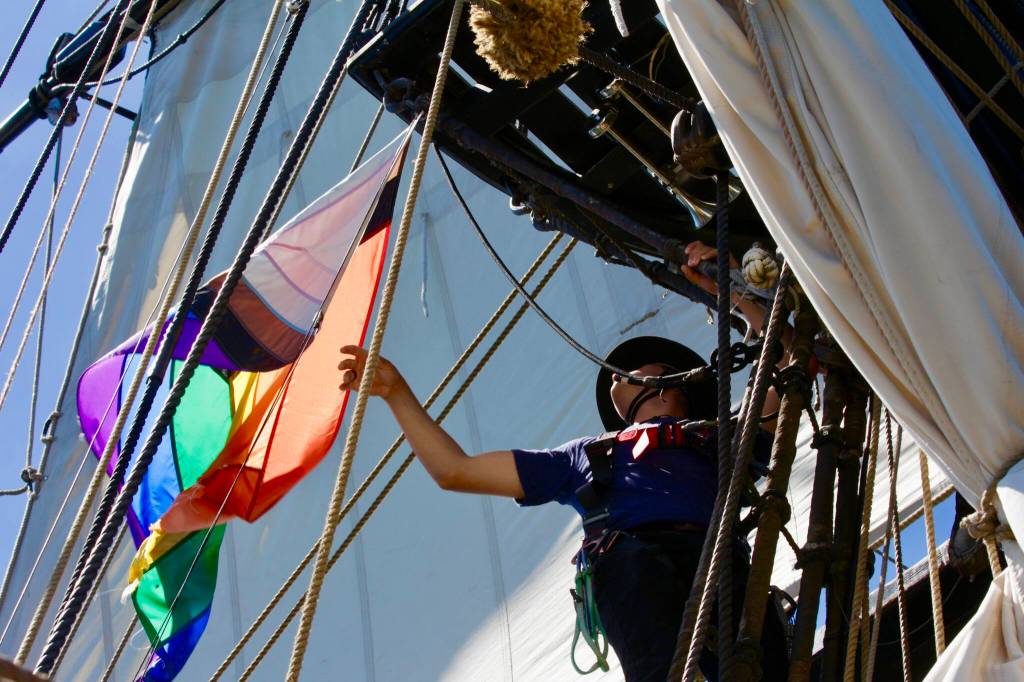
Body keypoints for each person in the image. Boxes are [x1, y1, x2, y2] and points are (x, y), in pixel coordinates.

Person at [338, 242, 790, 681]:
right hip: (633, 562)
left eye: (637, 368)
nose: (618, 371)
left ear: (676, 385)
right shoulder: (586, 456)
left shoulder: (722, 437)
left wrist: (737, 291)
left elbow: (787, 366)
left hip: (723, 560)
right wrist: (397, 394)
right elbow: (455, 471)